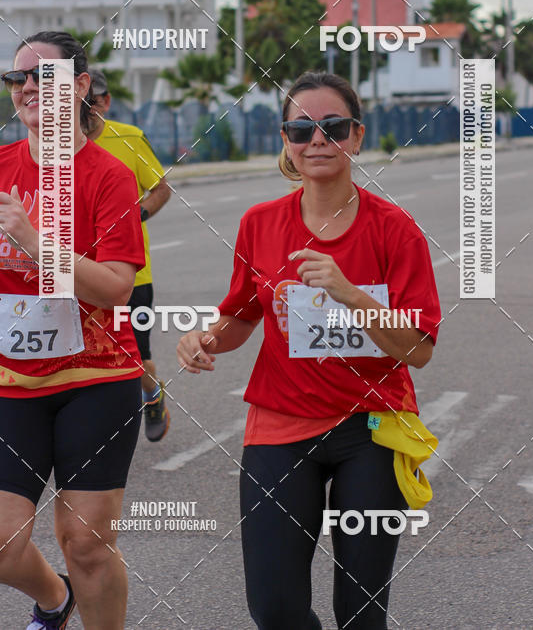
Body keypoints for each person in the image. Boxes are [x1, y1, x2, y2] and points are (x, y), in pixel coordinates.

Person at [177, 71, 441, 630]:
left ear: (357, 136)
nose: (316, 140)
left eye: (332, 126)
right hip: (280, 424)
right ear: (286, 141)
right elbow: (241, 315)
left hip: (371, 427)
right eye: (301, 129)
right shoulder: (260, 224)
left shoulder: (396, 230)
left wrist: (347, 293)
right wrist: (204, 337)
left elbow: (417, 349)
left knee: (362, 609)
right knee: (274, 608)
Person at [0, 31, 146, 629]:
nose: (25, 88)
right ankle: (54, 599)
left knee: (88, 545)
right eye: (17, 78)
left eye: (42, 76)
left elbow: (117, 286)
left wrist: (37, 245)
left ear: (78, 87)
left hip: (96, 379)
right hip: (7, 377)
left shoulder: (108, 175)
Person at [86, 69, 172, 442]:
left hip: (132, 274)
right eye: (87, 99)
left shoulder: (129, 138)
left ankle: (151, 394)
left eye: (98, 99)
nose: (92, 106)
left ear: (106, 102)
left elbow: (161, 188)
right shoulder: (56, 144)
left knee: (135, 354)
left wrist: (138, 214)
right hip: (78, 273)